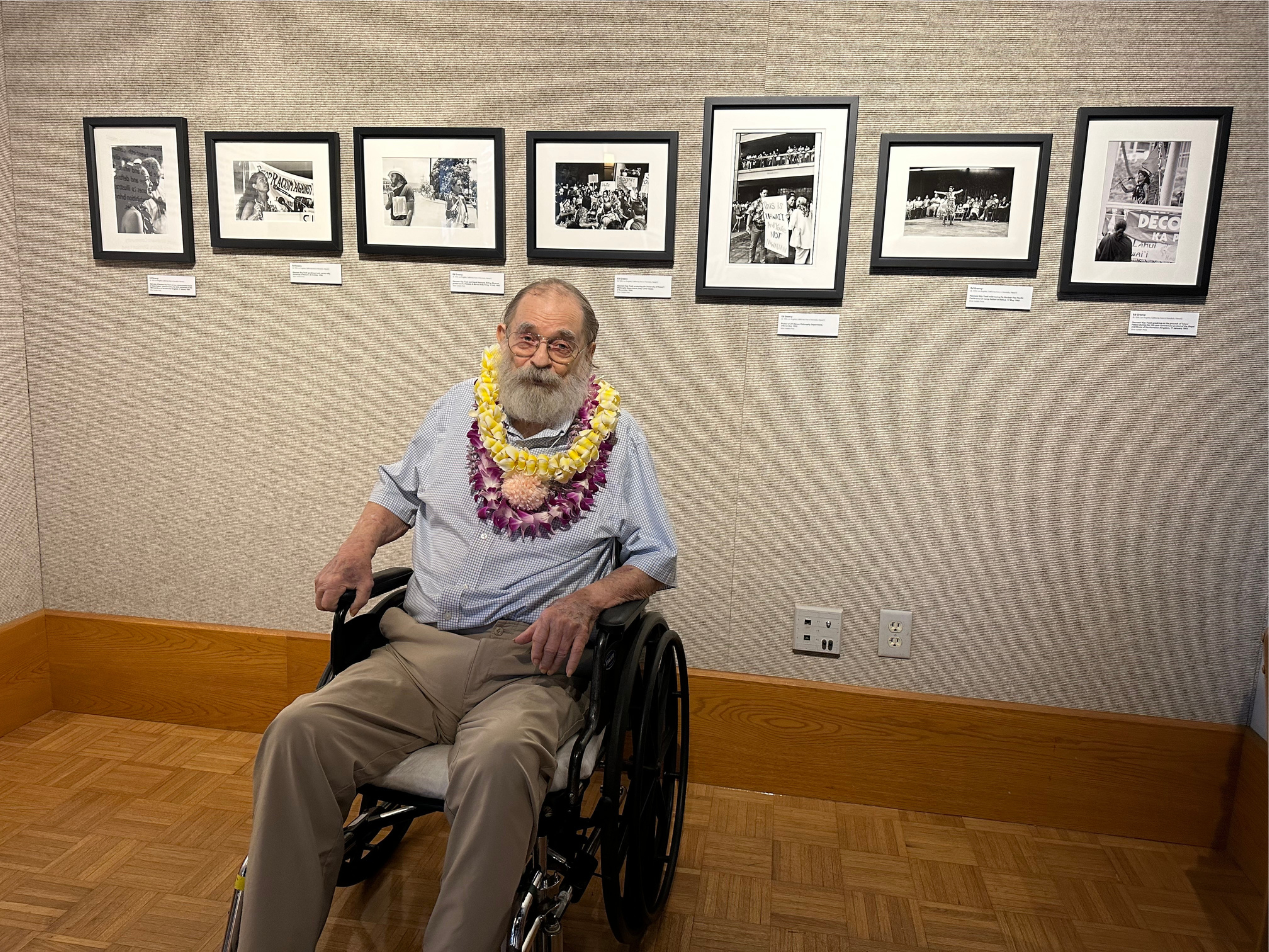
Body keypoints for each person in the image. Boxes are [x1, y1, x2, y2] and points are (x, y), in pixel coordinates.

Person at [238, 279, 677, 952]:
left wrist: (587, 599)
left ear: (587, 355)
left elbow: (656, 558)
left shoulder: (618, 442)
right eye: (526, 337)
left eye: (561, 345)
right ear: (501, 340)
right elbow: (397, 489)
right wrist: (357, 548)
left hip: (530, 666)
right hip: (416, 651)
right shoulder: (455, 409)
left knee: (500, 760)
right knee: (299, 731)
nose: (538, 357)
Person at [119, 156, 167, 234]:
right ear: (135, 186)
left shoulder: (140, 209)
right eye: (147, 179)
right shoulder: (134, 215)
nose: (152, 183)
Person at [789, 196, 813, 265]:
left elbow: (791, 226)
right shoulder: (809, 212)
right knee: (807, 259)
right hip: (808, 239)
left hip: (799, 238)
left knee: (798, 258)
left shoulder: (796, 211)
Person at [747, 188, 769, 263]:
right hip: (756, 226)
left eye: (766, 193)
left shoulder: (769, 204)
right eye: (764, 193)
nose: (765, 195)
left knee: (763, 245)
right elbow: (750, 214)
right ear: (760, 194)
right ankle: (751, 259)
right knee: (753, 244)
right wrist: (747, 225)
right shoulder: (755, 203)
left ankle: (762, 260)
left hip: (765, 226)